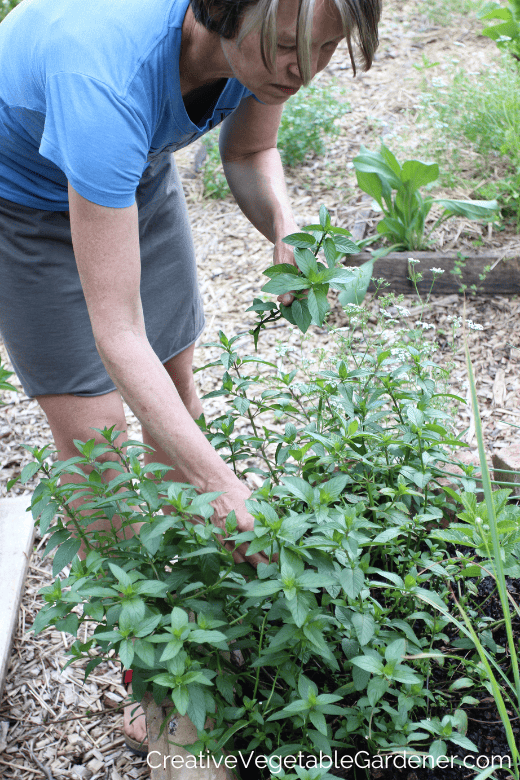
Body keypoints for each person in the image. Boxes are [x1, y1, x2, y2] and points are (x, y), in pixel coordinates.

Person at [0, 0, 381, 757]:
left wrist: (286, 227)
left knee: (179, 407)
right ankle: (150, 669)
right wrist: (230, 488)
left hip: (130, 172)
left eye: (329, 48)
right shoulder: (106, 77)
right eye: (287, 47)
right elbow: (117, 335)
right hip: (23, 194)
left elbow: (247, 155)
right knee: (102, 452)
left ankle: (200, 612)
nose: (305, 70)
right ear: (223, 13)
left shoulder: (263, 52)